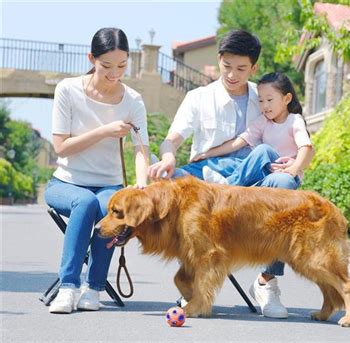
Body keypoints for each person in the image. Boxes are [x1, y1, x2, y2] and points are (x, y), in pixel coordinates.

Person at [148, 30, 297, 319]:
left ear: (254, 68)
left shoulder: (264, 95)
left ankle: (267, 282)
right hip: (207, 183)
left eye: (241, 69)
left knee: (284, 184)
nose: (232, 74)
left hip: (251, 186)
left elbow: (288, 128)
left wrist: (291, 158)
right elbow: (172, 139)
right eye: (227, 66)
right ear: (219, 60)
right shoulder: (198, 97)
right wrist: (168, 156)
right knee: (169, 184)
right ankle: (190, 278)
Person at [44, 27, 149, 314]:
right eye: (106, 66)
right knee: (86, 202)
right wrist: (104, 131)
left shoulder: (133, 100)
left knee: (110, 208)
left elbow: (142, 149)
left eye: (122, 65)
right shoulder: (68, 89)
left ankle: (94, 288)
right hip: (66, 183)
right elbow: (61, 148)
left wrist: (141, 185)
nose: (115, 73)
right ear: (92, 58)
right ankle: (68, 287)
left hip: (109, 186)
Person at [192, 72, 314, 188]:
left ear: (287, 99)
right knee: (261, 152)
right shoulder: (263, 121)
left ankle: (230, 185)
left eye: (269, 100)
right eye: (261, 100)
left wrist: (294, 168)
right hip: (265, 174)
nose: (265, 105)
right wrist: (207, 153)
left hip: (286, 172)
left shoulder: (294, 120)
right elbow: (239, 142)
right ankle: (233, 185)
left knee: (283, 180)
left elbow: (306, 147)